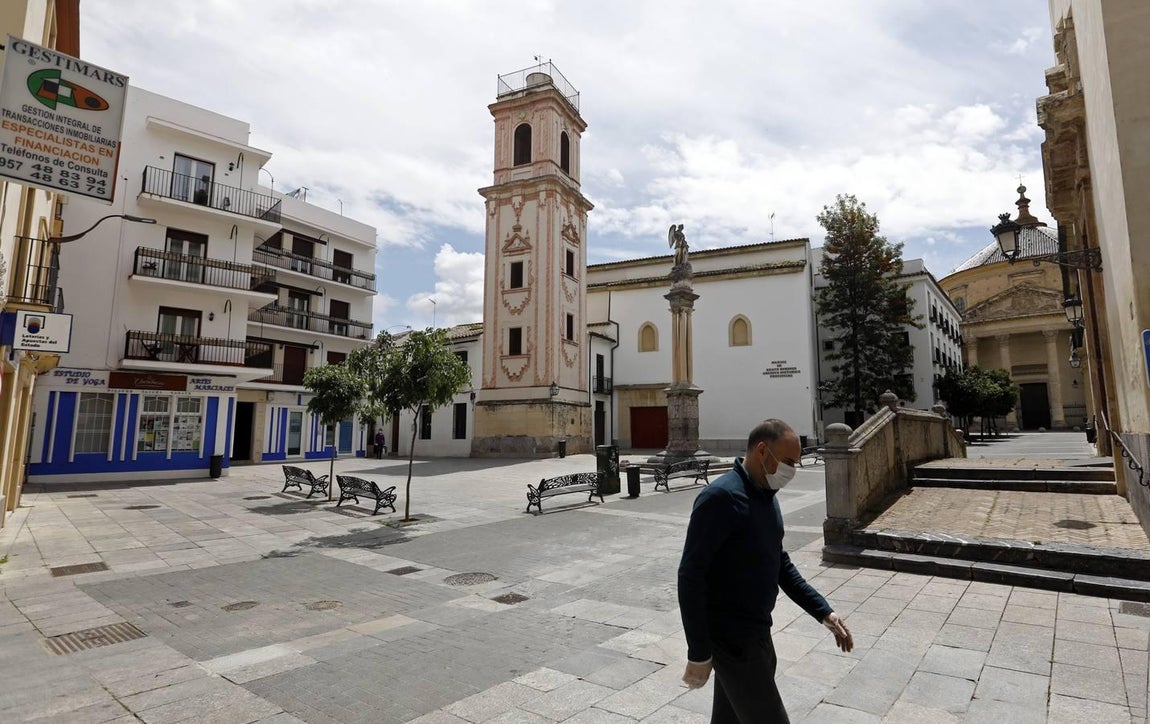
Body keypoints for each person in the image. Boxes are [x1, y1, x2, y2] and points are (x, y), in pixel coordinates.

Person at [677, 419, 853, 723]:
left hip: (758, 634)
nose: (791, 470)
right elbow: (690, 576)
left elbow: (780, 562)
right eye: (787, 461)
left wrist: (823, 611)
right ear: (762, 451)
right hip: (732, 640)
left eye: (795, 463)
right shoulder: (721, 498)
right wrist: (699, 650)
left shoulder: (766, 497)